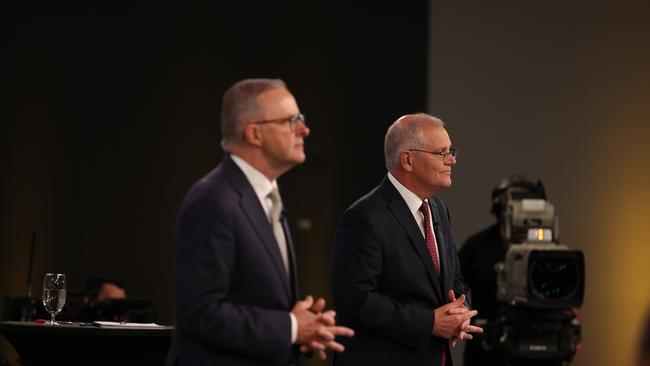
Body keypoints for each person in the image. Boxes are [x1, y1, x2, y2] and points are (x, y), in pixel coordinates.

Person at [166, 78, 354, 366]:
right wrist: (291, 327)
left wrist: (303, 331)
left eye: (300, 119)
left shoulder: (265, 195)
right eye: (291, 121)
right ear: (254, 134)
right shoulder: (212, 200)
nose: (304, 129)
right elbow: (201, 314)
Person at [331, 113, 483, 366]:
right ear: (408, 160)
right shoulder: (364, 217)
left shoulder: (438, 208)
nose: (452, 160)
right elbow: (355, 299)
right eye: (441, 153)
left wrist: (460, 311)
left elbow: (455, 279)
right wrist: (430, 323)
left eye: (451, 151)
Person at [459, 175, 581, 365]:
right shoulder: (476, 247)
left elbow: (566, 299)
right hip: (490, 353)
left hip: (544, 346)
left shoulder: (552, 251)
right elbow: (456, 291)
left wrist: (572, 332)